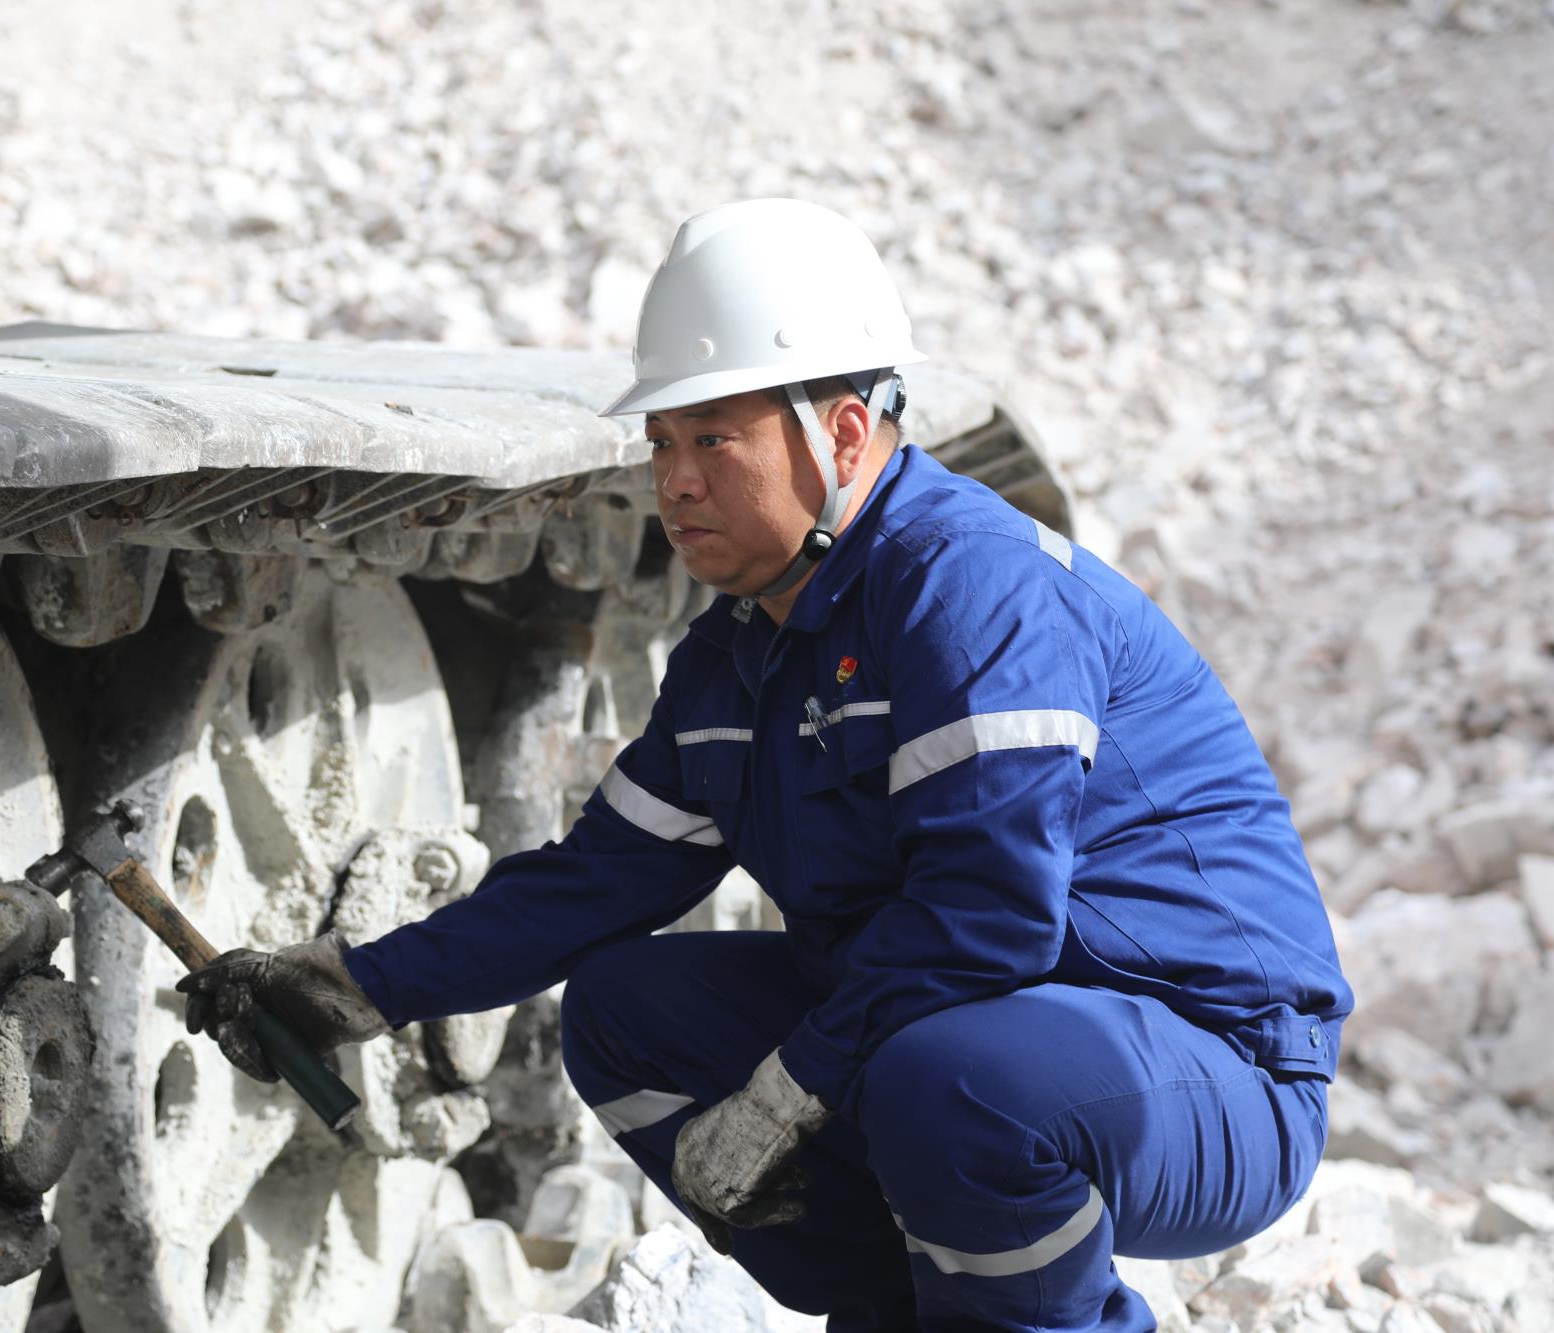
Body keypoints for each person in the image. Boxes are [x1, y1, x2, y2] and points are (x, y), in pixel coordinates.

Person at [178, 198, 1353, 1332]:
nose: (673, 481)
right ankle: (896, 1305)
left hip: (1206, 1064)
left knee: (947, 1078)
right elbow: (589, 886)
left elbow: (985, 917)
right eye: (660, 442)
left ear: (839, 432)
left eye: (712, 439)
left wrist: (791, 1087)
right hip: (981, 1037)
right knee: (625, 1012)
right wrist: (357, 985)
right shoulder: (738, 662)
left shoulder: (969, 591)